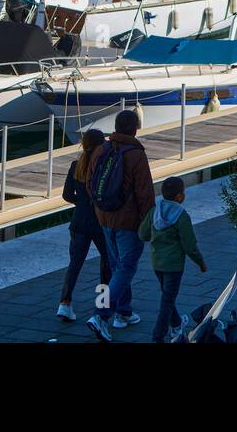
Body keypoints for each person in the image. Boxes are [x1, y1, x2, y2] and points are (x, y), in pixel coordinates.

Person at [85, 109, 155, 342]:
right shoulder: (136, 154)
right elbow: (145, 192)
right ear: (135, 129)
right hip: (128, 222)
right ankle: (100, 314)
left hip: (105, 218)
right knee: (126, 268)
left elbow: (90, 183)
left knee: (116, 268)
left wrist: (99, 209)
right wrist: (149, 222)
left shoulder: (100, 149)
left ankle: (123, 313)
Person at [139, 176, 207, 343]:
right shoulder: (182, 216)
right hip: (174, 266)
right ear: (179, 196)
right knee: (167, 301)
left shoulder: (154, 211)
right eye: (183, 192)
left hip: (157, 263)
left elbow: (142, 234)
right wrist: (201, 263)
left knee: (167, 296)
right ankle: (158, 336)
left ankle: (176, 322)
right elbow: (189, 245)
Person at [56, 129, 112, 324]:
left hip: (79, 221)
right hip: (99, 221)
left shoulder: (76, 165)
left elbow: (66, 195)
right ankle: (102, 304)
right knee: (107, 262)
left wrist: (81, 203)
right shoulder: (103, 166)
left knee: (75, 264)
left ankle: (65, 302)